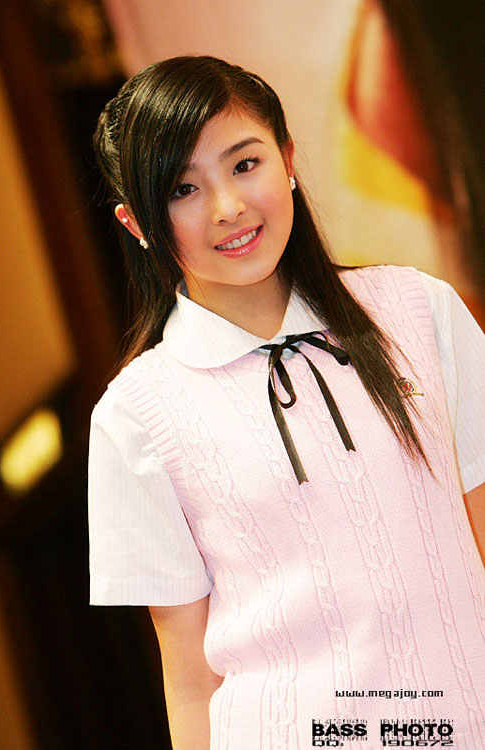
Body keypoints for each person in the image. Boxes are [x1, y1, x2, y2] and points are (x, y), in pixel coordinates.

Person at [88, 55, 485, 750]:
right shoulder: (134, 417)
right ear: (136, 222)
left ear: (289, 158)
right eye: (182, 188)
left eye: (245, 164)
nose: (228, 208)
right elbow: (189, 677)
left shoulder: (420, 311)